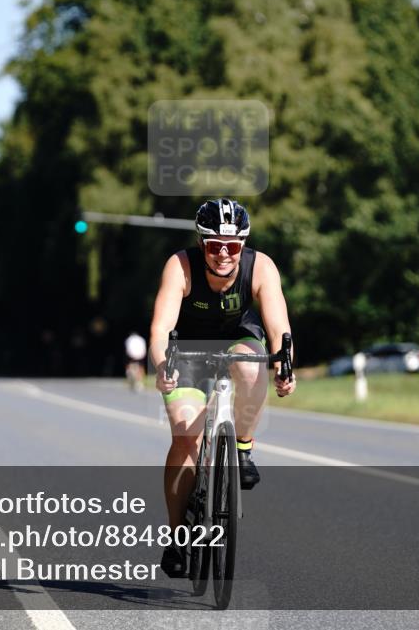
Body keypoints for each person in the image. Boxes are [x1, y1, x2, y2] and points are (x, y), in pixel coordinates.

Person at [149, 197, 296, 577]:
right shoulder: (181, 266)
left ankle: (243, 450)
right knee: (185, 436)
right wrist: (162, 363)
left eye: (233, 246)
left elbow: (278, 323)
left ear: (243, 244)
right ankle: (179, 534)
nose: (224, 255)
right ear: (202, 243)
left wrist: (284, 363)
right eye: (215, 246)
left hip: (238, 341)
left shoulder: (260, 267)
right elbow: (161, 325)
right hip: (188, 352)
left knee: (251, 368)